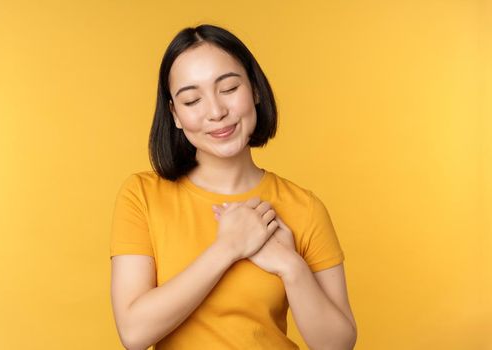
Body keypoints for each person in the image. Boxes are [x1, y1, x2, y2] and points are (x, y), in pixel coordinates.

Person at [110, 24, 357, 350]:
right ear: (175, 115)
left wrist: (289, 265)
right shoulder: (142, 195)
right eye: (192, 99)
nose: (216, 112)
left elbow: (337, 345)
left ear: (254, 90)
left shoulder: (303, 207)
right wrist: (229, 247)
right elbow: (134, 333)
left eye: (228, 89)